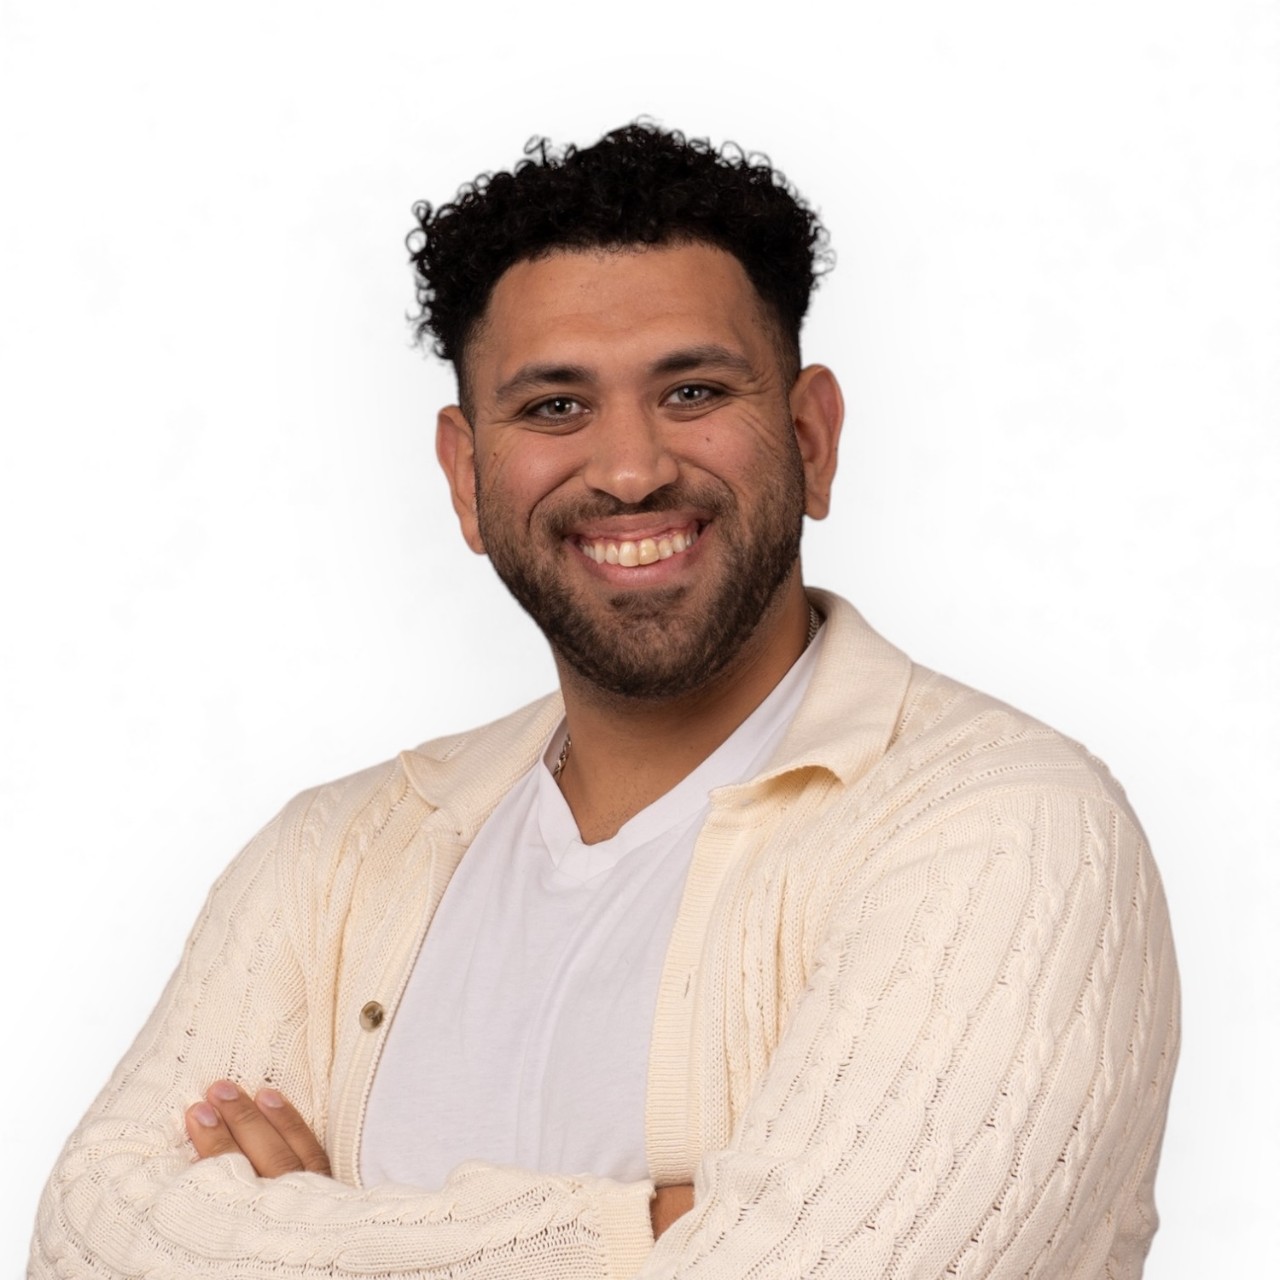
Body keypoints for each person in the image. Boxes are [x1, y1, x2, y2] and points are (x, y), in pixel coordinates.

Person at [29, 123, 1179, 1278]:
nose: (629, 469)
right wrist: (633, 1232)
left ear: (810, 437)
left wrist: (293, 1238)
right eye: (553, 408)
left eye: (691, 389)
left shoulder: (999, 825)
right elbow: (85, 1239)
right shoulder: (330, 856)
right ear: (465, 476)